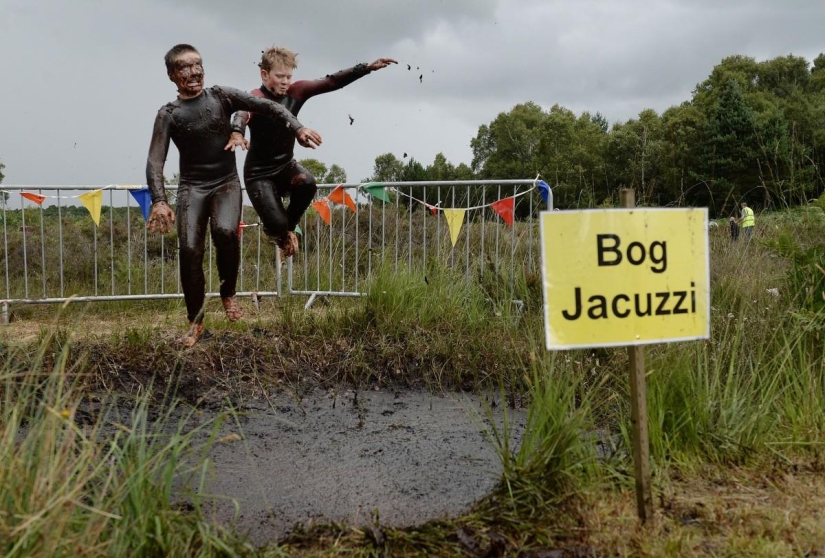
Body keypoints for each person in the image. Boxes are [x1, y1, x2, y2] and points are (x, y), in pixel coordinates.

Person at [146, 44, 323, 347]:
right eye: (185, 67)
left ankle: (228, 291)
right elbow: (155, 160)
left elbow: (269, 106)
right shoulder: (169, 114)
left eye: (197, 64)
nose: (194, 72)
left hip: (225, 183)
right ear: (172, 75)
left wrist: (297, 127)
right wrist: (159, 199)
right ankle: (195, 323)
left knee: (226, 232)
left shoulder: (221, 96)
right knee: (189, 250)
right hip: (192, 187)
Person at [225, 47, 397, 257]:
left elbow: (330, 82)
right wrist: (236, 132)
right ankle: (278, 231)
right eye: (279, 76)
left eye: (288, 76)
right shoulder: (256, 96)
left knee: (308, 182)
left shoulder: (297, 91)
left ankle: (287, 229)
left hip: (285, 166)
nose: (285, 81)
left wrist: (366, 68)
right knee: (277, 224)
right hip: (259, 174)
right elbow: (242, 112)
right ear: (264, 74)